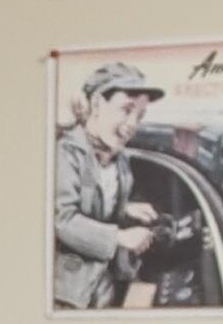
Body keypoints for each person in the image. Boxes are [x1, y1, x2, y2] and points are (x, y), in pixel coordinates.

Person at [53, 60, 163, 309]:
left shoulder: (120, 159)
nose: (133, 124)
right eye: (126, 110)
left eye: (140, 115)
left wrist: (125, 208)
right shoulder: (67, 154)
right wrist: (119, 238)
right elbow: (63, 220)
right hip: (69, 291)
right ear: (97, 104)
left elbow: (93, 198)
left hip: (105, 282)